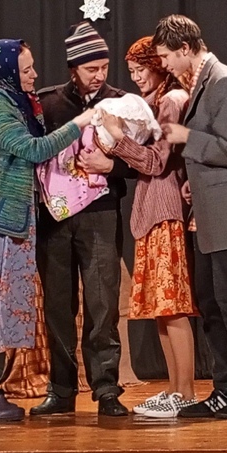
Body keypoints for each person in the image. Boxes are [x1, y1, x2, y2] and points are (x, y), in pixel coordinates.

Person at [0, 39, 95, 422]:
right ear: (7, 73)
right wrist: (79, 124)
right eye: (26, 69)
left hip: (6, 220)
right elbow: (32, 149)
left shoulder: (14, 104)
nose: (34, 75)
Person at [155, 14, 227, 419]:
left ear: (186, 48)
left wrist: (186, 137)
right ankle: (226, 388)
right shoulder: (201, 82)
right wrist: (194, 181)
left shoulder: (223, 80)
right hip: (208, 212)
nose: (165, 64)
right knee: (210, 301)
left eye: (167, 56)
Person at [29, 22, 132, 417]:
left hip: (100, 215)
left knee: (102, 304)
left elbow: (144, 161)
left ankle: (106, 389)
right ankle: (61, 389)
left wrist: (112, 166)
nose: (99, 75)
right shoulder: (48, 103)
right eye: (91, 68)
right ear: (74, 68)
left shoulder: (120, 103)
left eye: (104, 67)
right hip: (54, 219)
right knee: (58, 305)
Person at [98, 36, 197, 418]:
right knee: (160, 307)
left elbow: (157, 162)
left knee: (172, 306)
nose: (137, 77)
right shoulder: (153, 104)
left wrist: (119, 137)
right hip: (151, 210)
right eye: (133, 71)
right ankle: (174, 389)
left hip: (166, 210)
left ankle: (185, 392)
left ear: (158, 65)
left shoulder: (171, 101)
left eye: (141, 69)